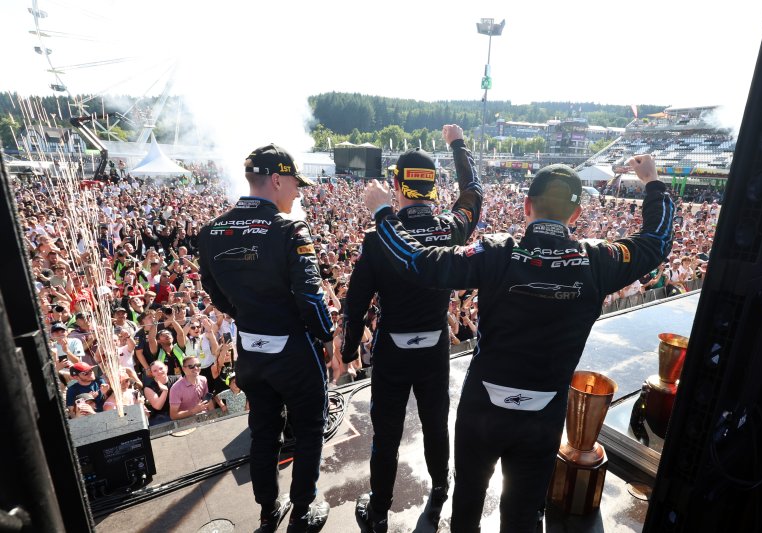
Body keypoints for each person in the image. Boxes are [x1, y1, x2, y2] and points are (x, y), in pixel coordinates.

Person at [363, 155, 673, 531]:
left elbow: (417, 262)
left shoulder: (496, 252)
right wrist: (653, 183)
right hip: (543, 417)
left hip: (483, 410)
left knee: (468, 505)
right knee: (524, 515)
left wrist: (383, 213)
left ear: (527, 206)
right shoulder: (598, 260)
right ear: (575, 216)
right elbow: (657, 242)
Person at [342, 125, 482, 531]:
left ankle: (380, 510)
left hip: (392, 351)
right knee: (437, 424)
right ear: (434, 188)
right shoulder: (450, 228)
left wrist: (350, 350)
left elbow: (355, 303)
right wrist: (458, 146)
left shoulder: (377, 239)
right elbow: (473, 193)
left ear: (397, 189)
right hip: (436, 346)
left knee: (386, 434)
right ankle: (440, 489)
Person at [198, 144, 333, 533]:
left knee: (263, 432)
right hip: (293, 353)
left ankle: (267, 510)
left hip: (251, 352)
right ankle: (304, 509)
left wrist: (245, 316)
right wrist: (328, 340)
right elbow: (310, 295)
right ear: (276, 179)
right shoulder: (290, 229)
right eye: (294, 183)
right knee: (309, 429)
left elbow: (214, 290)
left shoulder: (211, 231)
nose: (298, 192)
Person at [168, 354, 214, 420]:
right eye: (191, 366)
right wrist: (194, 411)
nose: (196, 368)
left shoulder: (203, 379)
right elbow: (173, 416)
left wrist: (213, 417)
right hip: (187, 423)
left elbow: (208, 401)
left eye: (198, 365)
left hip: (205, 418)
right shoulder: (176, 388)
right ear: (183, 369)